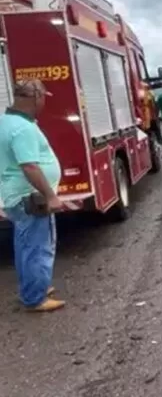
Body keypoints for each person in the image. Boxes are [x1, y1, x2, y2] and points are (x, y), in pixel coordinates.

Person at [0, 79, 65, 312]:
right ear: (35, 97)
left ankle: (34, 286)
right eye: (44, 97)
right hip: (31, 197)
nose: (44, 101)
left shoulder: (5, 121)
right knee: (38, 247)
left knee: (25, 245)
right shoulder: (22, 128)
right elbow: (29, 166)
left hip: (16, 196)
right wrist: (51, 196)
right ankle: (35, 297)